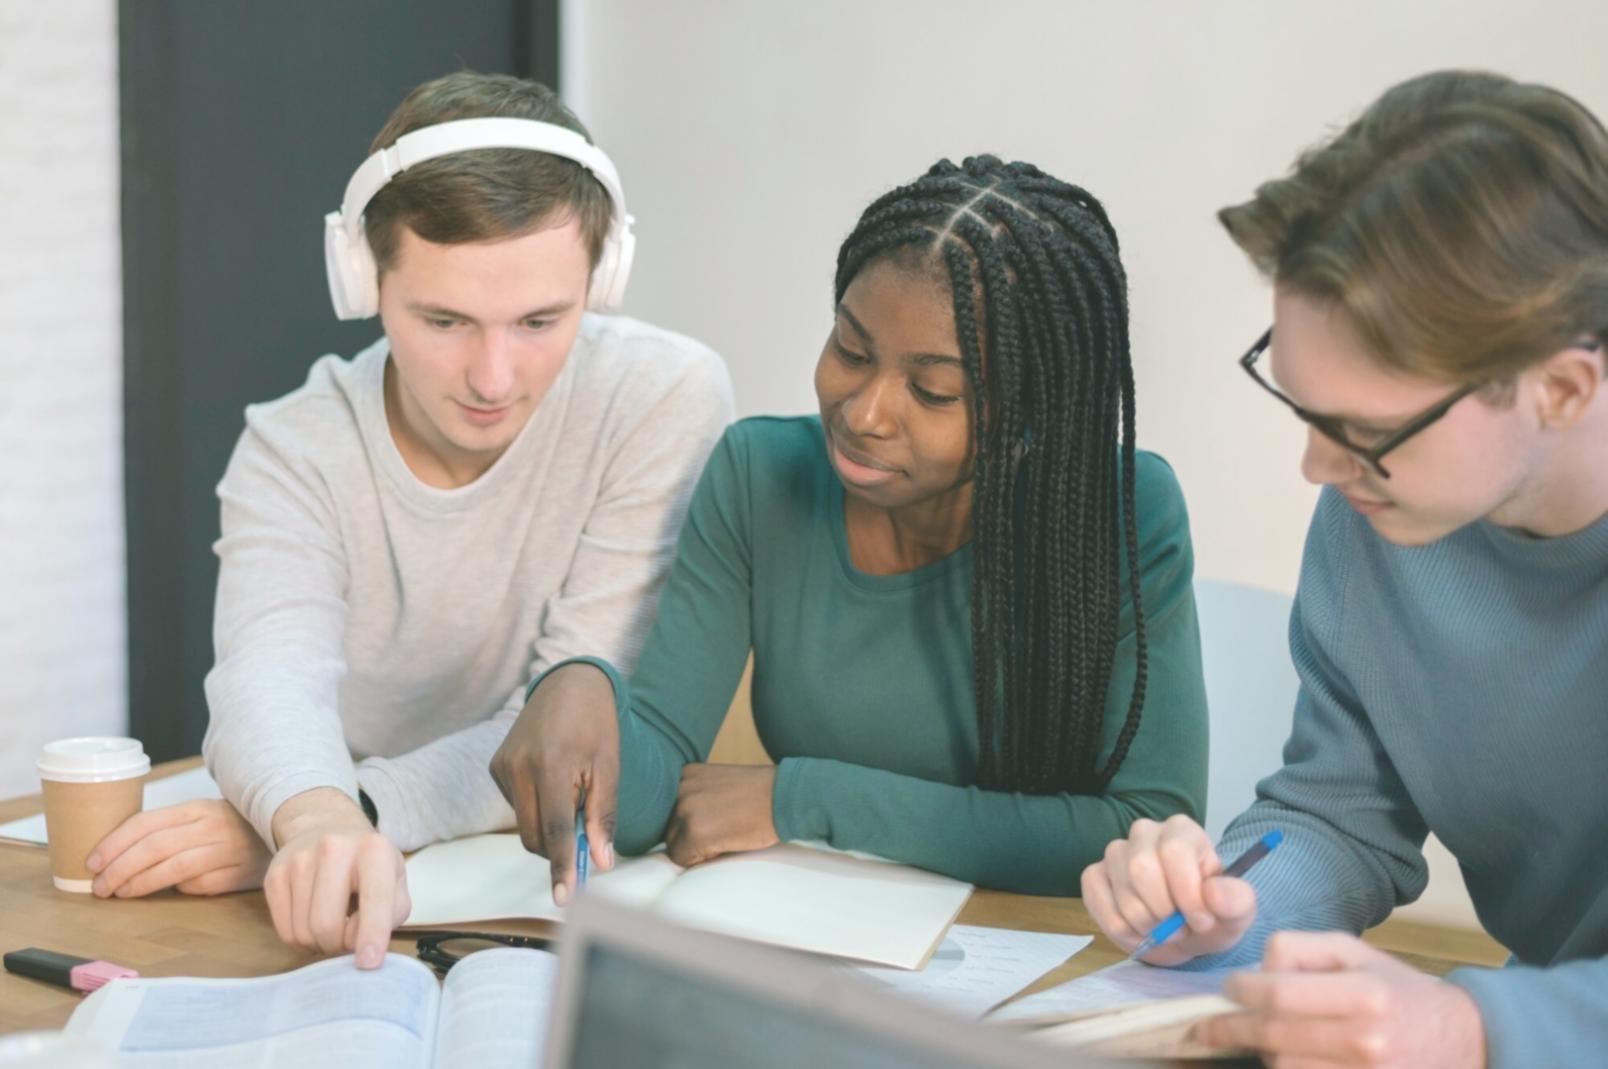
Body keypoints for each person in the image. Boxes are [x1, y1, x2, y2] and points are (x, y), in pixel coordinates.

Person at [80, 72, 733, 968]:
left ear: (603, 278)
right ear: (362, 279)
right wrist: (312, 817)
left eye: (542, 319)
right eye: (444, 320)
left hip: (493, 874)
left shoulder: (662, 396)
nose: (494, 377)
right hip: (346, 870)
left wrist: (337, 812)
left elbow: (564, 723)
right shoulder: (293, 446)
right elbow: (269, 678)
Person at [491, 155, 1208, 903]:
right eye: (851, 350)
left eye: (932, 392)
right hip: (823, 948)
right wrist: (583, 689)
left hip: (1032, 957)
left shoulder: (1125, 510)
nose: (862, 412)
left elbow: (1141, 828)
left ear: (1029, 415)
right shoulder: (756, 474)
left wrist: (801, 798)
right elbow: (658, 789)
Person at [1081, 70, 1608, 1067]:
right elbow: (1339, 816)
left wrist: (1474, 1026)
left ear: (1563, 387)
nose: (1319, 469)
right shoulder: (1388, 514)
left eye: (1364, 431)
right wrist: (1228, 909)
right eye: (1308, 413)